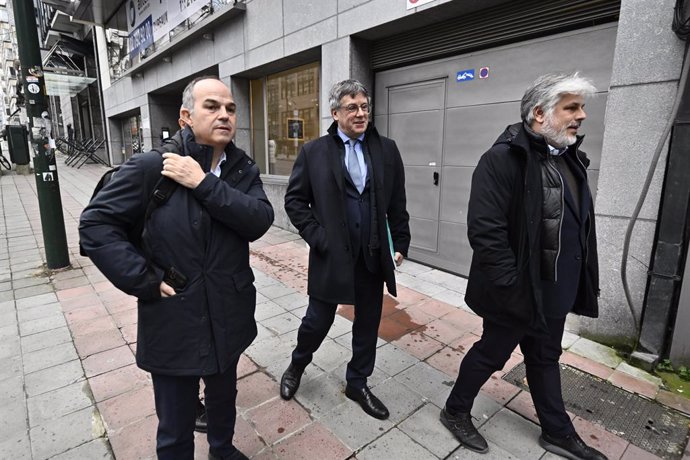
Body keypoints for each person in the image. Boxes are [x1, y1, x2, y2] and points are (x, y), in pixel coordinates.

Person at [79, 76, 274, 460]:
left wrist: (203, 183)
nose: (224, 115)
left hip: (228, 310)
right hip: (174, 316)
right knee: (175, 423)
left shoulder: (241, 168)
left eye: (231, 108)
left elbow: (259, 220)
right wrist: (144, 280)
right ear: (186, 116)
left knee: (223, 397)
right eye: (212, 107)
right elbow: (95, 226)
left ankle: (221, 448)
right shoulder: (153, 167)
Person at [440, 73, 607, 460]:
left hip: (556, 289)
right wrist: (510, 286)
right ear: (538, 113)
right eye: (571, 107)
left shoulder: (573, 159)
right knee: (491, 354)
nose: (581, 116)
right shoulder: (501, 160)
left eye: (581, 108)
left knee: (545, 358)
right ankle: (455, 411)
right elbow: (486, 231)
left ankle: (557, 432)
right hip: (516, 291)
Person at [280, 79, 410, 420]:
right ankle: (297, 365)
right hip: (331, 258)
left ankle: (358, 382)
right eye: (352, 107)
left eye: (364, 106)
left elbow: (397, 201)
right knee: (316, 322)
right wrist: (319, 239)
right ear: (335, 112)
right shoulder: (314, 152)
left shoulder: (387, 149)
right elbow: (294, 202)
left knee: (368, 324)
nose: (361, 113)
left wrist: (400, 241)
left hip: (371, 255)